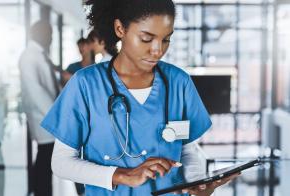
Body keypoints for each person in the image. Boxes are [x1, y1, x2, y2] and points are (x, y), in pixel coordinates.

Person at [41, 0, 239, 195]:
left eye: (166, 39)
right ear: (120, 29)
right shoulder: (85, 84)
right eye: (146, 38)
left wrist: (198, 184)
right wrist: (123, 175)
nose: (158, 50)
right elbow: (61, 162)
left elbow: (187, 151)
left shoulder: (179, 82)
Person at [19, 20, 60, 196]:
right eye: (49, 34)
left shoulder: (40, 54)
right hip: (44, 118)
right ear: (39, 34)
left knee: (45, 160)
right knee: (45, 160)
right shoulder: (29, 56)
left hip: (48, 117)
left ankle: (42, 191)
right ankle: (41, 192)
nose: (51, 38)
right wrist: (56, 119)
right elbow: (36, 91)